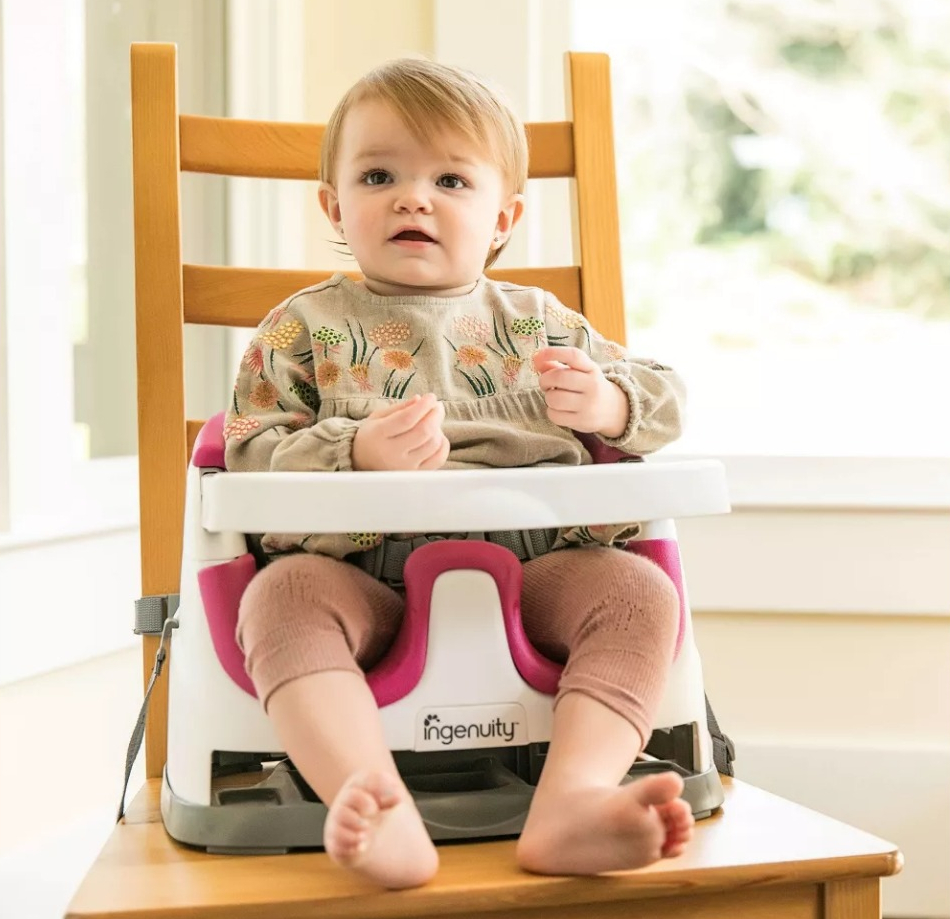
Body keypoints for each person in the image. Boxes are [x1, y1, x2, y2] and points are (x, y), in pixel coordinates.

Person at [224, 57, 694, 889]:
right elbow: (247, 449)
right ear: (335, 206)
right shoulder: (303, 328)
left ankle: (574, 802)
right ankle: (375, 804)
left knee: (638, 594)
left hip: (545, 566)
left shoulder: (541, 322)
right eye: (379, 175)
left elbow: (666, 399)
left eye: (450, 178)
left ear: (503, 216)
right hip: (358, 576)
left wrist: (608, 405)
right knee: (279, 597)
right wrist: (354, 453)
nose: (414, 197)